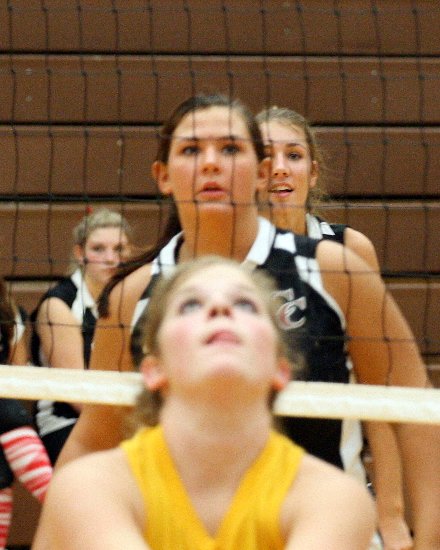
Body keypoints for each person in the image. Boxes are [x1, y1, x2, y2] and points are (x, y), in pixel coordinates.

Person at [35, 94, 439, 550]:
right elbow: (94, 437)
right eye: (191, 149)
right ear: (163, 176)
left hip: (317, 526)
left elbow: (413, 407)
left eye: (230, 148)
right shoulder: (132, 295)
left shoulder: (332, 268)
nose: (211, 163)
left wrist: (425, 534)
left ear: (261, 173)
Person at [41, 256, 376, 549]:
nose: (220, 309)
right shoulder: (90, 486)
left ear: (280, 369)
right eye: (190, 305)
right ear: (153, 369)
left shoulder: (335, 498)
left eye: (245, 305)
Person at [256, 106, 413, 550]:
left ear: (313, 171)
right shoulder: (227, 257)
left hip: (335, 489)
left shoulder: (347, 251)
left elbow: (380, 390)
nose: (280, 169)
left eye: (294, 155)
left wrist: (391, 515)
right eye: (266, 157)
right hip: (245, 491)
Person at [30, 208, 132, 464]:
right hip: (66, 422)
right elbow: (76, 393)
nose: (111, 259)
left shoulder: (132, 298)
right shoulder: (59, 305)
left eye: (119, 249)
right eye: (98, 249)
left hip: (118, 418)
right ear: (79, 253)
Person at [0, 278, 52, 550]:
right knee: (6, 411)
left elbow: (17, 373)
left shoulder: (8, 312)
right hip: (7, 416)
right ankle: (59, 499)